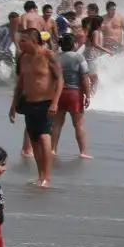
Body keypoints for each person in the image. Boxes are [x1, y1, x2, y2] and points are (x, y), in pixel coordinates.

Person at [7, 29, 60, 187]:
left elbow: (60, 80)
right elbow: (20, 84)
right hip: (29, 103)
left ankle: (47, 178)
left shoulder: (49, 55)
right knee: (34, 140)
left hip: (46, 103)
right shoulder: (23, 58)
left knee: (44, 137)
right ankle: (40, 176)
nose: (20, 43)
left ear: (34, 41)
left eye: (23, 41)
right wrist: (13, 105)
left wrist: (55, 102)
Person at [52, 31, 93, 159]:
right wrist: (87, 95)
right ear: (74, 44)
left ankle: (52, 149)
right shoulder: (78, 57)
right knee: (79, 124)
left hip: (59, 93)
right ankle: (83, 151)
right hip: (74, 93)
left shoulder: (56, 57)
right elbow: (85, 77)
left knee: (57, 124)